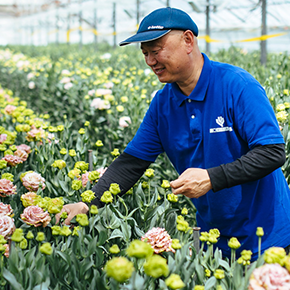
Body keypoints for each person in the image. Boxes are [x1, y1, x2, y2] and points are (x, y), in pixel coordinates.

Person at [56, 7, 290, 260]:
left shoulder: (237, 86)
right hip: (213, 241)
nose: (150, 61)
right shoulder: (162, 103)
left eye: (155, 51)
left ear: (188, 41)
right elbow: (132, 163)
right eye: (145, 54)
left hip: (269, 239)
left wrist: (211, 178)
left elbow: (272, 153)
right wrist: (88, 205)